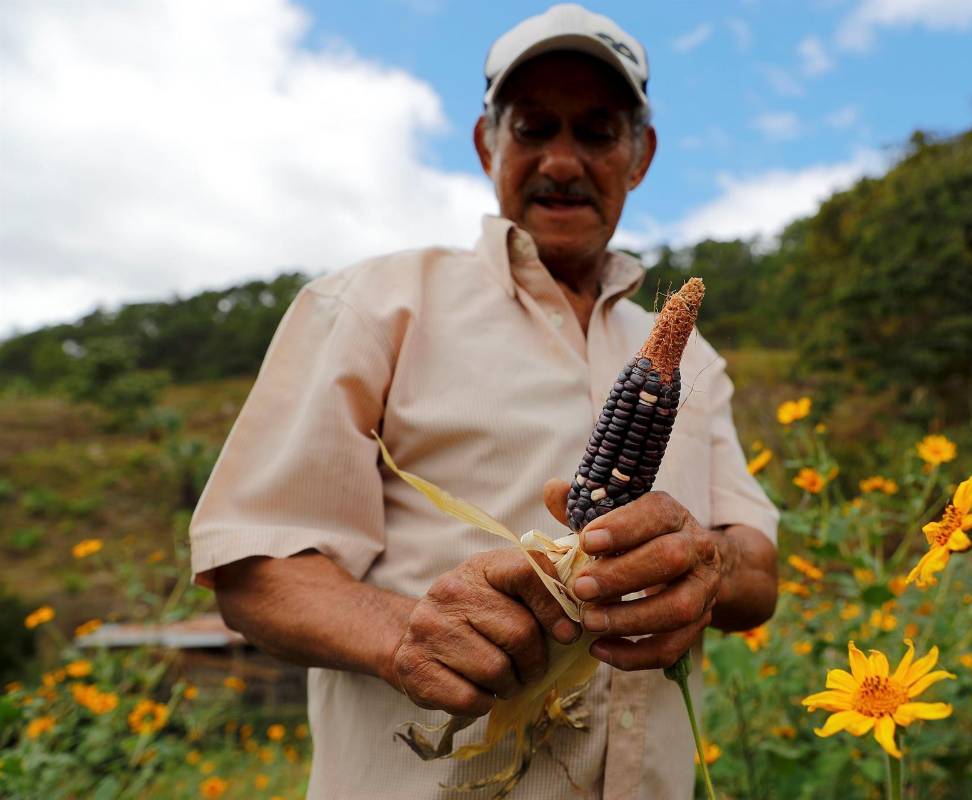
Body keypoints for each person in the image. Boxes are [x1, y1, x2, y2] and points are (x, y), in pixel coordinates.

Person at [189, 4, 779, 798]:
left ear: (641, 156)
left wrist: (708, 566)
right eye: (533, 128)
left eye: (598, 132)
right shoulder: (372, 306)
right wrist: (405, 636)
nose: (563, 162)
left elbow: (757, 571)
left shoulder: (695, 362)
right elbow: (253, 569)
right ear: (485, 144)